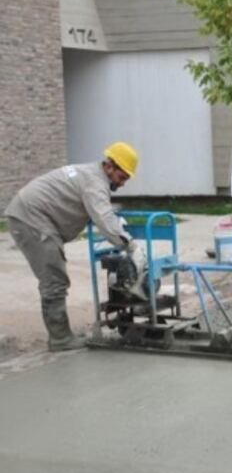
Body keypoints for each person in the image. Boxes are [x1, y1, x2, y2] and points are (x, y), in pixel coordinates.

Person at [4, 142, 145, 351]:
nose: (123, 183)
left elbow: (101, 212)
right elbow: (103, 218)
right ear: (109, 166)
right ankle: (60, 339)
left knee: (55, 276)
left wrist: (117, 227)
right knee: (54, 278)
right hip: (31, 218)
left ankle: (60, 335)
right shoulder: (95, 182)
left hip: (31, 215)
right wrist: (131, 246)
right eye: (121, 177)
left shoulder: (91, 175)